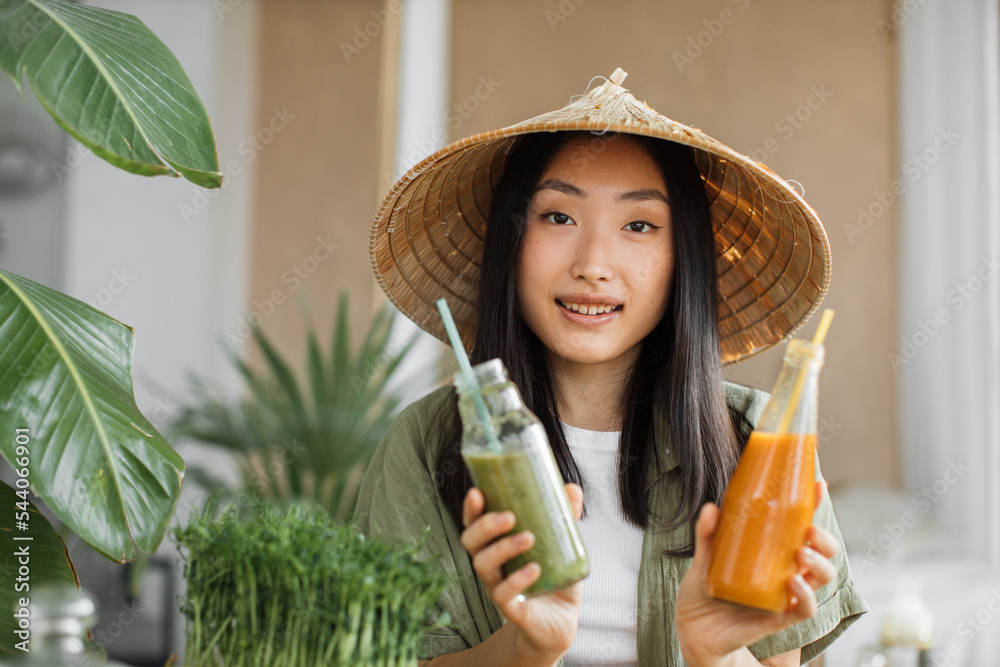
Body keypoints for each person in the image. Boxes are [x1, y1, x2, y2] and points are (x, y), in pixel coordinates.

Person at [354, 68, 867, 666]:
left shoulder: (760, 443)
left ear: (684, 259)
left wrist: (713, 654)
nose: (594, 264)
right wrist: (524, 647)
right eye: (558, 217)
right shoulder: (426, 444)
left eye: (640, 225)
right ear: (510, 243)